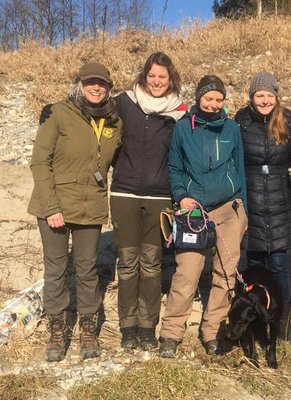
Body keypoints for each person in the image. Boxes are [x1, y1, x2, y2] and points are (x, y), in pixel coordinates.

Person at [28, 62, 122, 362]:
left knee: (87, 269)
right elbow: (40, 162)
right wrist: (52, 206)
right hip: (54, 205)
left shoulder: (114, 121)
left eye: (102, 83)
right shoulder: (58, 113)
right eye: (91, 82)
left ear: (109, 87)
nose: (97, 87)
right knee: (55, 269)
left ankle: (87, 328)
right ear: (79, 84)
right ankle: (57, 327)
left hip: (91, 206)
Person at [159, 75, 248, 358]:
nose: (213, 104)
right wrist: (181, 196)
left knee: (225, 273)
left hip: (228, 209)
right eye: (208, 99)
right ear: (198, 98)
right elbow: (175, 168)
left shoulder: (231, 127)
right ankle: (172, 333)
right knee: (187, 271)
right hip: (193, 209)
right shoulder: (183, 128)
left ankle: (212, 331)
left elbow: (240, 166)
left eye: (218, 99)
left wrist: (241, 205)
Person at [110, 52, 187, 351]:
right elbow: (93, 112)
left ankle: (146, 327)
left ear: (171, 80)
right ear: (145, 76)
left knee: (152, 265)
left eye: (162, 77)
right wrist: (54, 109)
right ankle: (127, 328)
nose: (157, 82)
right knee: (128, 264)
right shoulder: (125, 102)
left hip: (159, 197)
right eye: (152, 76)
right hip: (124, 194)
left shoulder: (179, 111)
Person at [234, 72, 291, 342]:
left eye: (269, 95)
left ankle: (282, 324)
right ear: (251, 97)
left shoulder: (287, 120)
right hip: (251, 201)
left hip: (280, 202)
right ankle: (257, 319)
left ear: (276, 97)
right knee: (255, 266)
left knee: (279, 265)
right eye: (259, 95)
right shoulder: (241, 121)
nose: (264, 100)